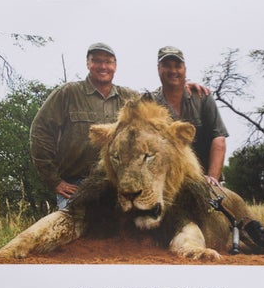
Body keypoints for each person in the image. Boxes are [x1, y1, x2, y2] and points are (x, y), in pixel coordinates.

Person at [30, 42, 137, 208]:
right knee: (69, 229)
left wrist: (186, 88)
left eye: (108, 62)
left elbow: (158, 111)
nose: (103, 66)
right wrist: (54, 181)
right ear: (88, 63)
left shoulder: (130, 97)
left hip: (119, 184)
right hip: (76, 185)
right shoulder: (68, 93)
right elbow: (40, 131)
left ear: (115, 65)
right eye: (96, 61)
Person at [153, 46, 228, 187]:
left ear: (185, 69)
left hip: (205, 180)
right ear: (158, 69)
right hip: (166, 183)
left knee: (232, 206)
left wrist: (212, 179)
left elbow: (218, 138)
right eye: (167, 66)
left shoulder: (202, 97)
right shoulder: (150, 102)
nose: (173, 71)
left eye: (178, 66)